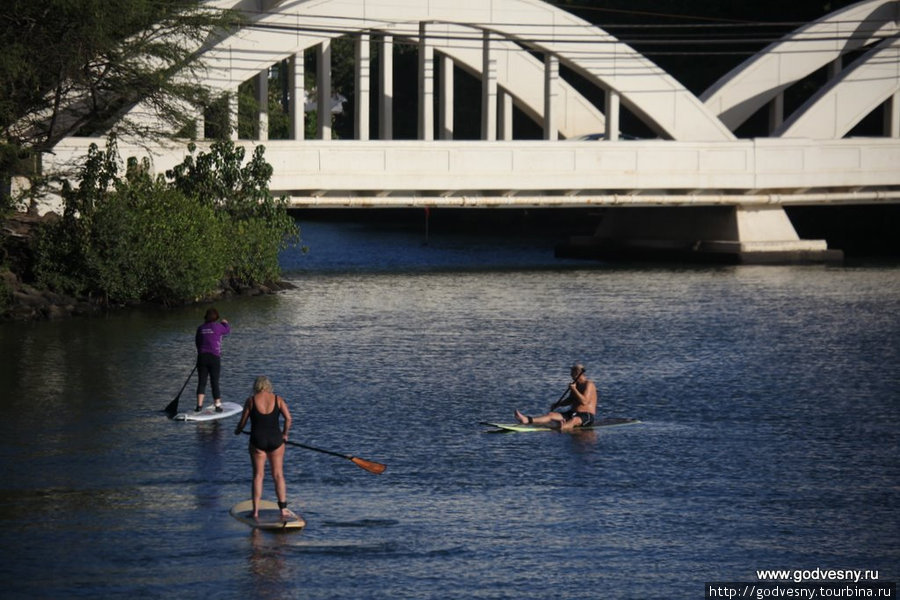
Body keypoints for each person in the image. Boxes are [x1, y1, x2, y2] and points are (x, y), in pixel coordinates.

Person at [234, 376, 293, 520]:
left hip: (257, 441)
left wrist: (238, 430)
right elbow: (289, 418)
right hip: (276, 440)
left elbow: (242, 423)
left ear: (256, 387)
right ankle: (283, 510)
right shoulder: (278, 399)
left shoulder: (251, 401)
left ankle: (255, 512)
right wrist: (285, 434)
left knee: (258, 476)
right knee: (278, 475)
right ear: (268, 386)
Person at [514, 363, 598, 432]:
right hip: (572, 412)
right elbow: (570, 400)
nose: (570, 375)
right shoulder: (576, 384)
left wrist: (574, 389)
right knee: (551, 415)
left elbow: (584, 401)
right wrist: (558, 404)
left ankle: (563, 428)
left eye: (572, 373)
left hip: (586, 416)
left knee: (574, 420)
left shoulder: (589, 384)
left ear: (577, 373)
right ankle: (527, 420)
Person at [195, 307, 230, 412]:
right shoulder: (218, 327)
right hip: (214, 357)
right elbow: (227, 331)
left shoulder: (200, 328)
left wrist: (200, 354)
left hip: (202, 357)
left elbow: (197, 342)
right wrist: (225, 323)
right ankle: (218, 405)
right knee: (214, 381)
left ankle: (199, 406)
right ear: (216, 318)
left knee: (202, 382)